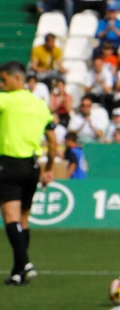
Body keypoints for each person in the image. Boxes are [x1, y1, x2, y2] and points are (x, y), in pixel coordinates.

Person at [0, 62, 57, 285]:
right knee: (24, 219)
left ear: (16, 79)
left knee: (11, 218)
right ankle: (18, 271)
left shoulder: (5, 100)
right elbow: (53, 142)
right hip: (32, 168)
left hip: (8, 165)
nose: (2, 85)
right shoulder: (40, 105)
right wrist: (49, 169)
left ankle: (25, 262)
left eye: (4, 80)